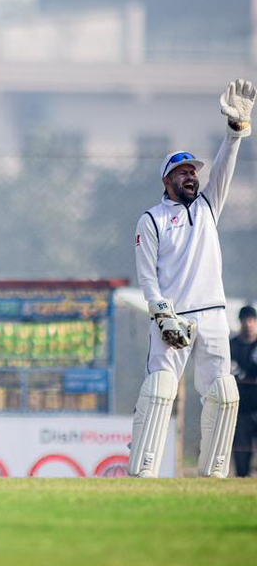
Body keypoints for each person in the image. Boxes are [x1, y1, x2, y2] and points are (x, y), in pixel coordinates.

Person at [129, 79, 254, 478]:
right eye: (182, 172)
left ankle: (212, 476)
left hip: (214, 315)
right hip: (174, 317)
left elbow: (225, 169)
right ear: (167, 180)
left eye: (193, 171)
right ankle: (143, 471)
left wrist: (234, 134)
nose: (191, 176)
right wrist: (162, 313)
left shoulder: (207, 208)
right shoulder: (152, 219)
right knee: (160, 389)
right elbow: (147, 276)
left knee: (222, 392)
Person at [231, 305, 257, 476]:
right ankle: (241, 480)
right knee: (241, 452)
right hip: (240, 409)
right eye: (245, 320)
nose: (248, 324)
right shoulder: (231, 346)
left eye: (252, 320)